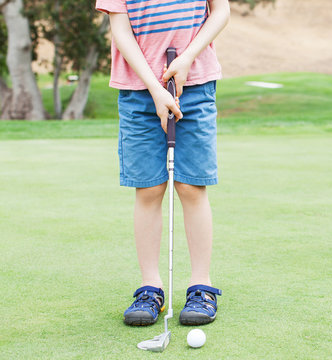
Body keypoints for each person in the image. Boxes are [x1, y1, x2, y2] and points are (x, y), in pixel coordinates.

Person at [95, 0, 230, 326]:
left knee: (191, 186)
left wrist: (186, 59)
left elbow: (221, 11)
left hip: (195, 82)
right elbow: (120, 30)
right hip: (138, 90)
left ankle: (202, 286)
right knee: (149, 189)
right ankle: (150, 287)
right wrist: (156, 88)